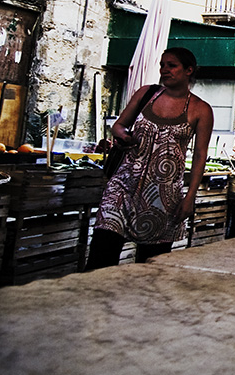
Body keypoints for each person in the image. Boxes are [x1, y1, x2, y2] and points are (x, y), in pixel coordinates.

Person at [85, 47, 214, 270]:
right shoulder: (146, 94)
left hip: (162, 197)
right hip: (123, 186)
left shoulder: (201, 110)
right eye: (162, 65)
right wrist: (124, 135)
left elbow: (201, 155)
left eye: (171, 65)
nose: (164, 70)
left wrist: (190, 196)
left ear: (188, 70)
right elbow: (118, 126)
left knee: (150, 266)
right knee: (101, 256)